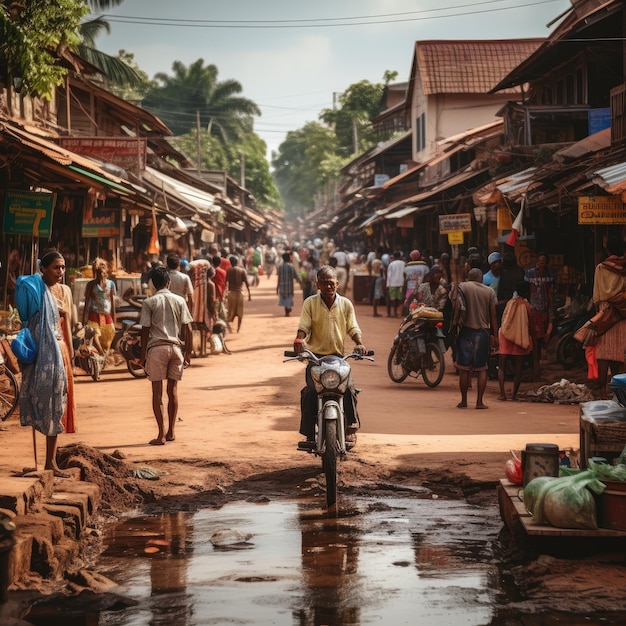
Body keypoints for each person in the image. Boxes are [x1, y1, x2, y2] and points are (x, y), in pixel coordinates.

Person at [293, 265, 368, 449]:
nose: (329, 287)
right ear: (317, 284)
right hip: (316, 359)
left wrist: (359, 343)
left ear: (338, 284)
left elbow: (352, 327)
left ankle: (350, 425)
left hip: (338, 359)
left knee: (349, 388)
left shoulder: (346, 304)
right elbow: (304, 326)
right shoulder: (310, 303)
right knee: (311, 392)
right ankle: (309, 434)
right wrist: (299, 340)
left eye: (332, 283)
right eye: (325, 283)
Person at [16, 253, 70, 476]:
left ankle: (50, 462)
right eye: (56, 267)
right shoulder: (37, 290)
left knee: (55, 406)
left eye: (63, 268)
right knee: (44, 404)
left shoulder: (49, 292)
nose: (60, 272)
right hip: (42, 357)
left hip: (53, 357)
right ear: (44, 268)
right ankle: (47, 462)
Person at [139, 266, 193, 446]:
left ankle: (160, 434)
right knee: (173, 392)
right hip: (176, 349)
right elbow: (189, 329)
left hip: (157, 350)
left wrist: (142, 355)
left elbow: (145, 331)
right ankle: (171, 432)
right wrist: (188, 353)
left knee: (157, 393)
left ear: (153, 284)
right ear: (168, 282)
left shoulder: (149, 302)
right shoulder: (180, 300)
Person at [454, 268, 498, 409]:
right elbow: (493, 316)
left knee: (464, 369)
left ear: (469, 277)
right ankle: (479, 402)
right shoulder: (489, 291)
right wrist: (495, 335)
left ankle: (464, 401)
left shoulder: (462, 286)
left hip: (466, 331)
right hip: (482, 332)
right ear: (481, 278)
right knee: (481, 369)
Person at [592, 237, 626, 398]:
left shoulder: (601, 268)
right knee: (618, 356)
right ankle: (617, 396)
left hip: (604, 312)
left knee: (603, 355)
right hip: (621, 314)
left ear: (608, 250)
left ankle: (601, 394)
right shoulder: (624, 267)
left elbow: (596, 296)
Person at [497, 280, 534, 401]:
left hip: (506, 336)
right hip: (520, 337)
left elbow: (504, 319)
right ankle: (513, 396)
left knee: (502, 365)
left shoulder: (510, 303)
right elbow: (530, 324)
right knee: (518, 367)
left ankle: (502, 394)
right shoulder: (527, 306)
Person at [525, 252, 554, 378]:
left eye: (544, 261)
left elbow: (551, 289)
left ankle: (537, 366)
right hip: (532, 309)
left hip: (544, 310)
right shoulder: (530, 273)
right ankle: (534, 367)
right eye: (540, 260)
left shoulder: (549, 274)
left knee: (541, 339)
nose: (541, 263)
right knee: (533, 340)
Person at [83, 257, 117, 354]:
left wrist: (114, 321)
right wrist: (84, 322)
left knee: (109, 336)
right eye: (98, 273)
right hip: (93, 315)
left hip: (106, 315)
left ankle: (103, 355)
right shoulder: (90, 285)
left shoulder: (111, 284)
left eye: (102, 272)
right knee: (95, 334)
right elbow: (86, 304)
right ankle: (101, 353)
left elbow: (112, 303)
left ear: (105, 272)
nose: (100, 275)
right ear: (95, 273)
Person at [226, 255, 251, 332]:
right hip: (239, 293)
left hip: (231, 293)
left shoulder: (229, 271)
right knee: (240, 313)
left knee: (229, 312)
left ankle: (229, 329)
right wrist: (249, 294)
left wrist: (225, 293)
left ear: (230, 262)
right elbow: (247, 283)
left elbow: (226, 282)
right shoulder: (242, 271)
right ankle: (238, 329)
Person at [277, 251, 302, 316]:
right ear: (288, 258)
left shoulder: (280, 267)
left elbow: (279, 277)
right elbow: (296, 276)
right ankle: (288, 310)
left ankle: (287, 311)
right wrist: (300, 282)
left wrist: (277, 287)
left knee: (284, 299)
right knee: (288, 299)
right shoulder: (291, 267)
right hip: (289, 287)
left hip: (282, 287)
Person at [386, 251, 406, 317]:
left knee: (393, 298)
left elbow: (389, 275)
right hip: (401, 283)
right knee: (399, 298)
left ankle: (394, 312)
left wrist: (388, 284)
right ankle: (397, 312)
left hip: (393, 283)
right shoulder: (404, 263)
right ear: (400, 256)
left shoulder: (391, 264)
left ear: (393, 257)